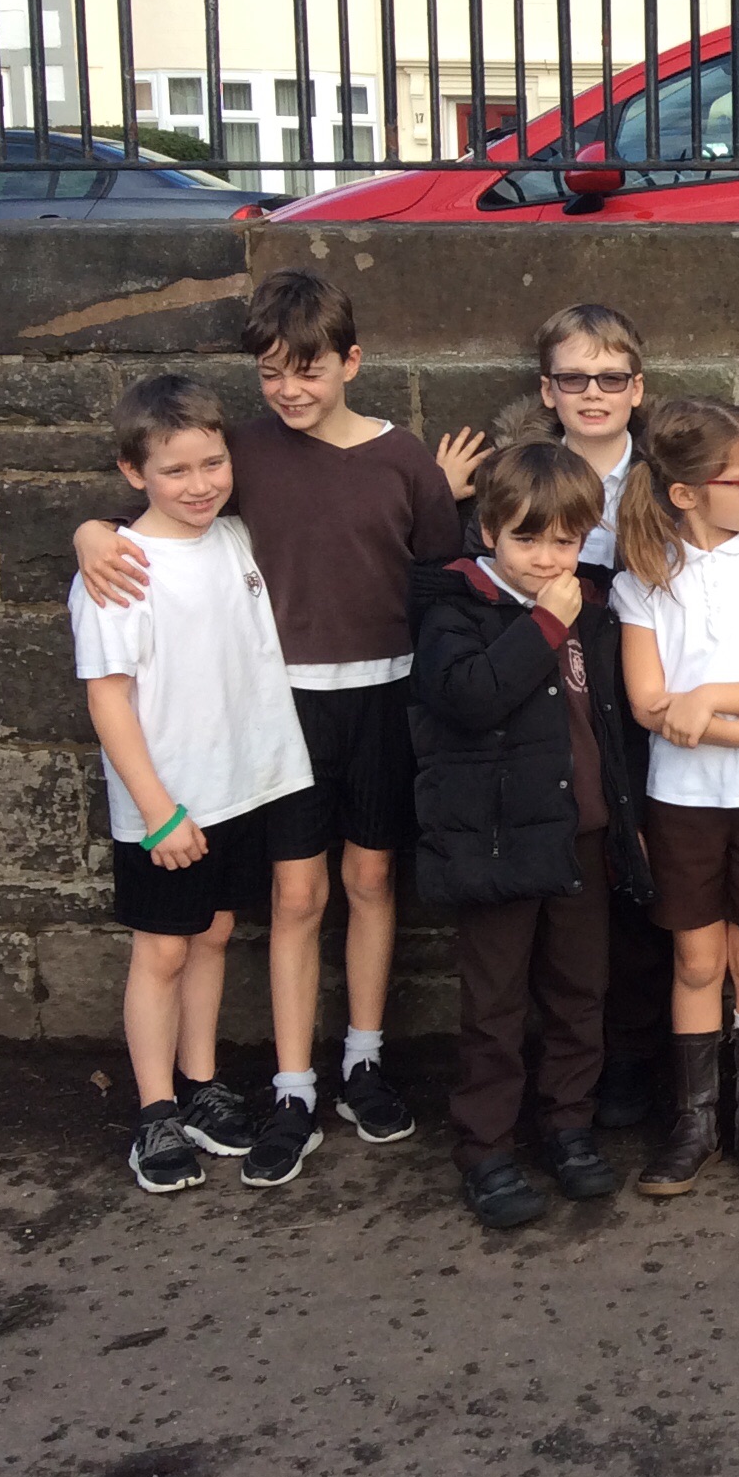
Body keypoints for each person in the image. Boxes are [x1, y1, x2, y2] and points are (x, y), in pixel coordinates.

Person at [73, 271, 462, 1186]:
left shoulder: (403, 457)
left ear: (350, 363)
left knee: (372, 879)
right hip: (281, 708)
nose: (289, 389)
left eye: (308, 370)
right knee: (294, 899)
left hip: (384, 696)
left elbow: (440, 571)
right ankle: (293, 1087)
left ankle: (362, 1059)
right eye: (272, 372)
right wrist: (93, 530)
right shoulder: (241, 450)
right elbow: (166, 508)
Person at [69, 375, 311, 1194]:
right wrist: (158, 811)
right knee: (164, 949)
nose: (200, 484)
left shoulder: (235, 537)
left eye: (213, 464)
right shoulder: (119, 568)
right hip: (166, 803)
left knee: (213, 934)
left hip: (240, 787)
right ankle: (156, 1111)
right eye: (175, 471)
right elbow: (108, 700)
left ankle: (202, 1084)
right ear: (133, 472)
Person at [409, 440, 655, 1229]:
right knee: (495, 1005)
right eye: (527, 538)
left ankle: (568, 1127)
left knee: (580, 993)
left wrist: (627, 823)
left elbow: (610, 726)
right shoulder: (455, 608)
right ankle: (486, 1148)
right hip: (496, 843)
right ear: (488, 531)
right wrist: (546, 623)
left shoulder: (595, 605)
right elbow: (470, 696)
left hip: (582, 834)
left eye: (565, 540)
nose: (548, 557)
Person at [440, 303, 670, 1132]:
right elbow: (445, 575)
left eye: (610, 378)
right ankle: (529, 1105)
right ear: (548, 390)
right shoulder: (515, 475)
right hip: (538, 699)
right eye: (574, 378)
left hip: (635, 686)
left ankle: (623, 1065)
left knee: (628, 895)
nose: (592, 393)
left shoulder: (662, 475)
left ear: (636, 387)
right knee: (536, 939)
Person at [611, 397, 739, 1196]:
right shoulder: (644, 580)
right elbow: (647, 702)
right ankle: (695, 1121)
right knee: (698, 960)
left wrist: (707, 701)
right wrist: (737, 729)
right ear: (686, 492)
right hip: (683, 797)